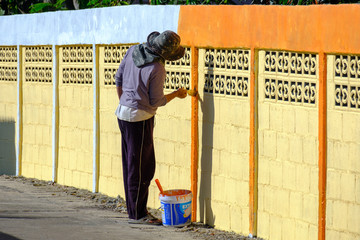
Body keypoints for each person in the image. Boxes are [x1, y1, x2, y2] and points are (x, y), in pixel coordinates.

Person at [114, 30, 188, 225]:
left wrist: (124, 100)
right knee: (141, 168)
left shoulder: (132, 51)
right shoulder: (157, 68)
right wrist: (177, 94)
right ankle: (138, 215)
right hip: (140, 119)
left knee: (131, 165)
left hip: (123, 113)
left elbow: (118, 78)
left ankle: (135, 211)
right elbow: (157, 101)